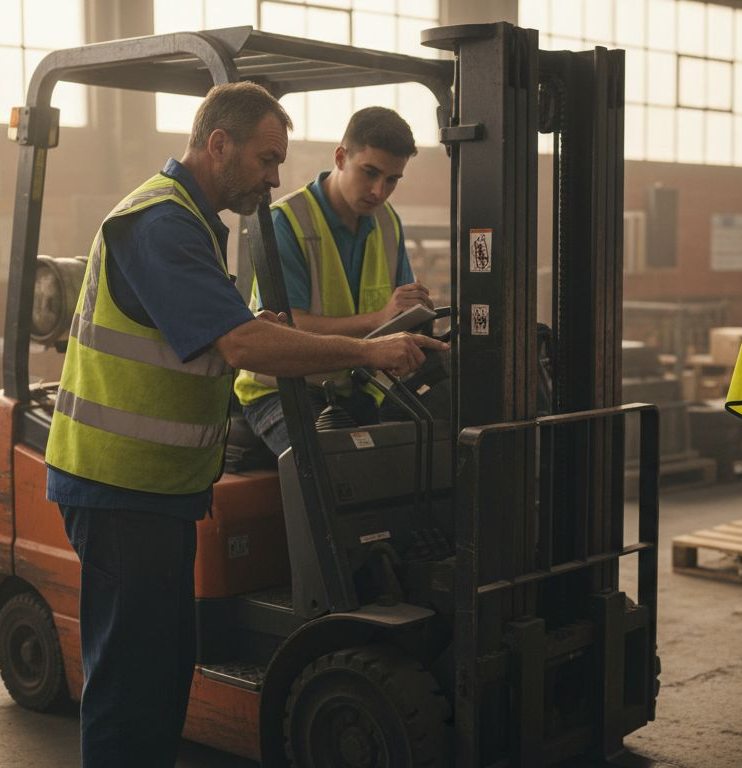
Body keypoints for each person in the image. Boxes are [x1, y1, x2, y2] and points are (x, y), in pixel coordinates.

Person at [43, 82, 444, 768]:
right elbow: (240, 347)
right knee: (132, 681)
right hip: (119, 487)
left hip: (161, 489)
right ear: (218, 143)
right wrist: (366, 347)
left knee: (168, 669)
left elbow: (221, 332)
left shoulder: (196, 223)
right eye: (266, 158)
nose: (275, 176)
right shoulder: (159, 222)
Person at [234, 106, 433, 455]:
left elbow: (396, 315)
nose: (378, 190)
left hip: (358, 384)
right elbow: (286, 329)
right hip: (286, 388)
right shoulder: (286, 223)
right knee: (334, 470)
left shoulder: (387, 222)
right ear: (341, 157)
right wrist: (379, 320)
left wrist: (412, 322)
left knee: (427, 448)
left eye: (391, 179)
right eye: (369, 172)